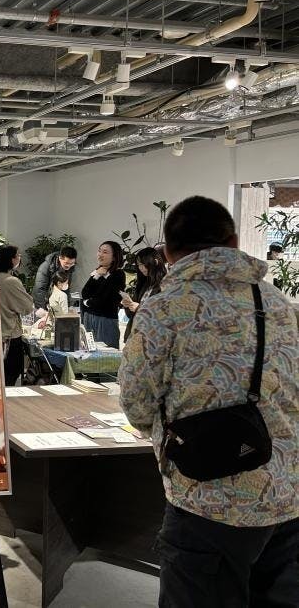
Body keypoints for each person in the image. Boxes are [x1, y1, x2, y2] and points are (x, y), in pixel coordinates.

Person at [118, 195, 299, 607]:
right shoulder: (279, 304)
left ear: (167, 253)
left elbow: (137, 403)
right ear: (234, 242)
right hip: (287, 495)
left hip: (208, 499)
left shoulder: (163, 310)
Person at [0, 245, 34, 387]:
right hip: (10, 335)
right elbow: (27, 307)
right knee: (10, 376)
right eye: (18, 255)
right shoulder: (11, 281)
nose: (20, 258)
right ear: (11, 259)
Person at [80, 241, 126, 349]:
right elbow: (84, 293)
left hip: (105, 320)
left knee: (105, 353)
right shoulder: (98, 271)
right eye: (99, 251)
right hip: (89, 317)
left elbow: (102, 300)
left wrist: (87, 302)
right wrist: (97, 275)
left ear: (114, 257)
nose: (100, 255)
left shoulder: (118, 274)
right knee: (88, 351)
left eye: (105, 252)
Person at [122, 246, 166, 342]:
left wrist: (139, 308)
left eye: (143, 264)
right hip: (134, 336)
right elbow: (131, 315)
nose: (141, 268)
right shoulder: (144, 284)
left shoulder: (166, 284)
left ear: (155, 262)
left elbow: (163, 314)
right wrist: (127, 305)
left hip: (152, 339)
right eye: (138, 265)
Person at [33, 246, 78, 311]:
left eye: (72, 263)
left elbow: (66, 288)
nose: (69, 266)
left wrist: (67, 306)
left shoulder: (70, 268)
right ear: (60, 258)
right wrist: (42, 309)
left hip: (55, 303)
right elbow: (40, 289)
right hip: (43, 303)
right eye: (66, 263)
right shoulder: (45, 267)